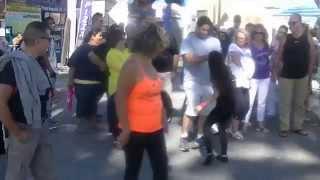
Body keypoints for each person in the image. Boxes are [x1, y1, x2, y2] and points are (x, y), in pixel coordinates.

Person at [0, 21, 57, 180]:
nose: (50, 42)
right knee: (17, 174)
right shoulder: (12, 65)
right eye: (49, 38)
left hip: (41, 124)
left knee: (46, 171)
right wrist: (16, 132)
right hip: (22, 129)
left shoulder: (37, 60)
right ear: (38, 41)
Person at [115, 23, 169, 180]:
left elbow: (156, 94)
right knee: (132, 171)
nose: (162, 49)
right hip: (135, 131)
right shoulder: (132, 66)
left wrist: (163, 116)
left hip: (155, 128)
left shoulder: (149, 61)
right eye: (160, 45)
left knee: (161, 170)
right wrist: (125, 130)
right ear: (152, 45)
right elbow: (120, 99)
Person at [179, 16, 222, 152]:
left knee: (205, 111)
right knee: (191, 110)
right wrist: (208, 56)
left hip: (209, 82)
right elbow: (189, 58)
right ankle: (184, 137)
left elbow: (219, 61)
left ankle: (199, 135)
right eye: (203, 29)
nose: (205, 32)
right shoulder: (188, 41)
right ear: (197, 27)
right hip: (192, 81)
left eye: (208, 30)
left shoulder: (215, 41)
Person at [275, 13, 315, 137]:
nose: (291, 25)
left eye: (294, 22)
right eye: (290, 23)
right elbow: (279, 56)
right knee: (285, 102)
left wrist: (309, 74)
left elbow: (312, 56)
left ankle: (298, 126)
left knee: (300, 103)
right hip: (286, 75)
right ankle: (284, 128)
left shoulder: (307, 37)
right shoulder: (286, 37)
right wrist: (276, 72)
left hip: (302, 75)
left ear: (300, 22)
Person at [197, 51, 235, 165]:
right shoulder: (227, 69)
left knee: (206, 127)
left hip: (222, 104)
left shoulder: (215, 74)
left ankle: (209, 153)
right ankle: (224, 155)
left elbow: (216, 93)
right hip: (231, 103)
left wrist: (202, 105)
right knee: (223, 128)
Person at [68, 29, 106, 132]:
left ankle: (89, 123)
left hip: (95, 84)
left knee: (91, 104)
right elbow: (73, 66)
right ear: (92, 36)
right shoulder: (83, 49)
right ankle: (84, 125)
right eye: (100, 35)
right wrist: (70, 81)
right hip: (83, 84)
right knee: (85, 105)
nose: (102, 37)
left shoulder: (101, 49)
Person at [227, 29, 255, 140]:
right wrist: (248, 70)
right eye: (238, 38)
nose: (240, 40)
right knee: (239, 106)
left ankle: (230, 126)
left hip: (246, 81)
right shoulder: (233, 47)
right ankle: (234, 130)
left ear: (246, 39)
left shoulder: (248, 50)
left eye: (243, 38)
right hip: (236, 81)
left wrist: (249, 72)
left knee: (246, 106)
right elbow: (237, 60)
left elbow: (250, 63)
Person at [244, 24, 271, 132]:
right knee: (249, 101)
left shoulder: (266, 45)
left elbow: (270, 58)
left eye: (261, 33)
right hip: (253, 77)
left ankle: (260, 124)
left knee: (262, 102)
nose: (258, 35)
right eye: (256, 33)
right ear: (253, 34)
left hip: (265, 76)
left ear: (264, 34)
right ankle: (245, 122)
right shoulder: (249, 45)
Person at [106, 27, 130, 138]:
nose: (125, 40)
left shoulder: (127, 51)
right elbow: (124, 69)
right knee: (116, 115)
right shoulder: (111, 54)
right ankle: (117, 136)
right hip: (116, 89)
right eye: (123, 38)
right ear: (118, 40)